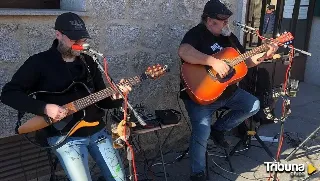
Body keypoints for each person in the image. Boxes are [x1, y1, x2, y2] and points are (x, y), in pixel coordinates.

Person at [0, 12, 131, 181]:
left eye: (83, 40)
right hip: (65, 135)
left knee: (119, 178)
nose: (79, 45)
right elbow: (8, 94)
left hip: (97, 131)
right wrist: (45, 108)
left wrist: (118, 96)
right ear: (58, 35)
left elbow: (103, 101)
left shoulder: (89, 62)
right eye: (74, 40)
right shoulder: (39, 63)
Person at [177, 0, 278, 180]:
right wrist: (212, 61)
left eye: (227, 21)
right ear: (209, 21)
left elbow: (245, 61)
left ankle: (220, 128)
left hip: (228, 93)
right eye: (222, 21)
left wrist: (264, 55)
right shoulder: (196, 33)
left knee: (253, 105)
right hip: (200, 96)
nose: (226, 24)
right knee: (202, 130)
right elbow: (184, 51)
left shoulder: (228, 37)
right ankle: (197, 173)